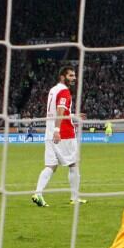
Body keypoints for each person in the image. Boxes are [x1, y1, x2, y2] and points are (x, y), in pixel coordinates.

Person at [32, 66, 87, 207]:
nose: (74, 78)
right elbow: (60, 110)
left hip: (49, 132)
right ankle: (74, 198)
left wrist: (73, 115)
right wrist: (58, 129)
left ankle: (38, 193)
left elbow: (57, 110)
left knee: (51, 165)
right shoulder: (64, 91)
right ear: (62, 77)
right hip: (64, 133)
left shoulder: (53, 90)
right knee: (73, 164)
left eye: (74, 75)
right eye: (71, 76)